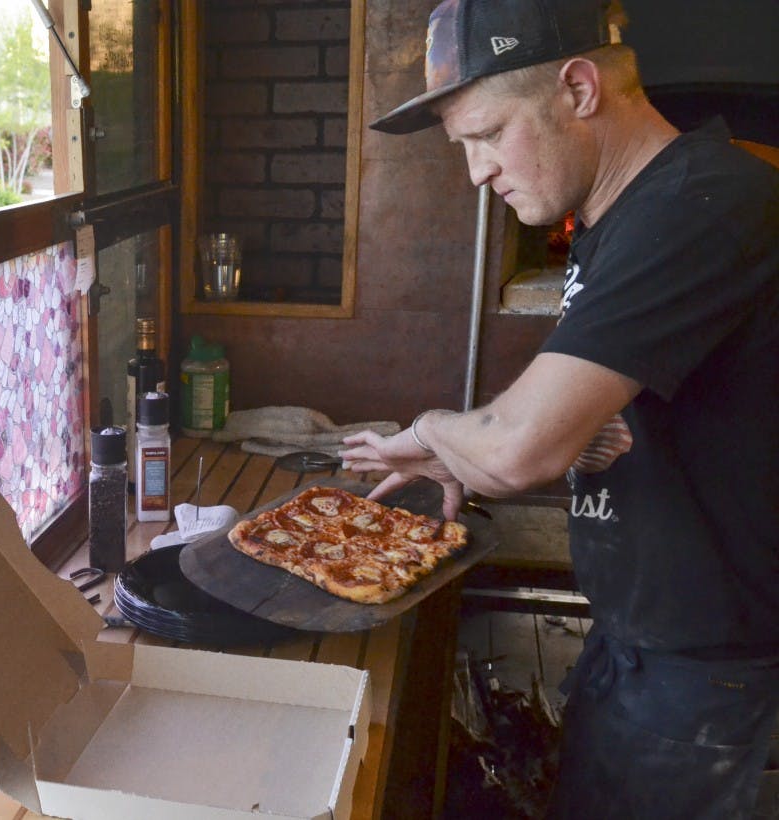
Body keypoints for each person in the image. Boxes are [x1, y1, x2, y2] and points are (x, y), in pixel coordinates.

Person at [339, 0, 779, 816]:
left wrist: (441, 431)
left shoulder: (704, 201)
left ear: (579, 88)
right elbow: (598, 424)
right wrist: (463, 452)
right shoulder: (619, 218)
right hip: (639, 635)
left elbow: (522, 450)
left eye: (488, 134)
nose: (476, 172)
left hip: (699, 663)